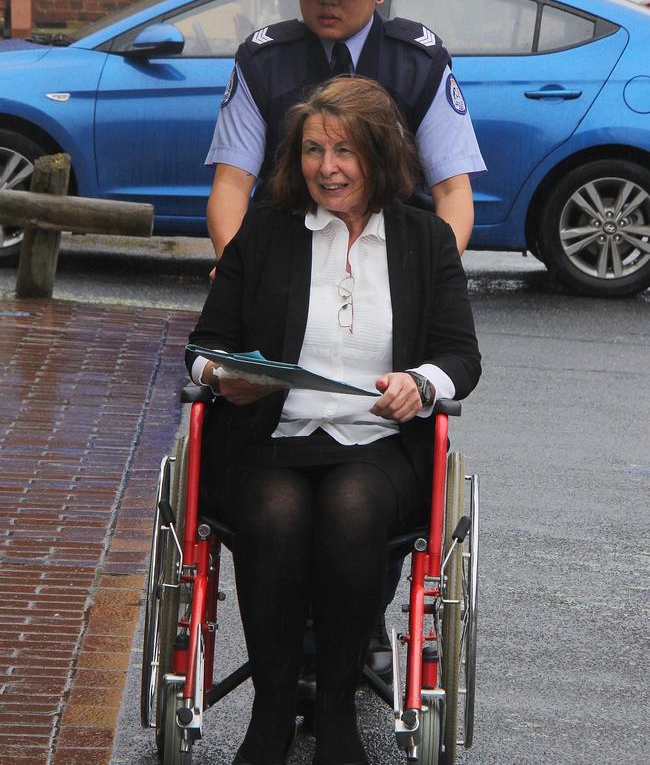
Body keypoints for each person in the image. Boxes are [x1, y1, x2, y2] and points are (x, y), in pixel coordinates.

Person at [187, 76, 481, 765]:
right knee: (276, 508)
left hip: (379, 446)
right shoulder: (266, 229)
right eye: (314, 149)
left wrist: (419, 383)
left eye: (344, 150)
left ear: (379, 157)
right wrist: (224, 378)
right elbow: (203, 348)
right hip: (273, 439)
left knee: (351, 503)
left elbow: (460, 356)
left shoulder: (425, 239)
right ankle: (271, 709)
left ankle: (337, 710)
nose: (327, 167)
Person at [205, 0, 485, 265]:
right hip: (285, 261)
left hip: (394, 259)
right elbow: (231, 185)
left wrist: (436, 278)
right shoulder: (263, 62)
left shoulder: (418, 64)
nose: (327, 0)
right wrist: (235, 271)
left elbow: (452, 192)